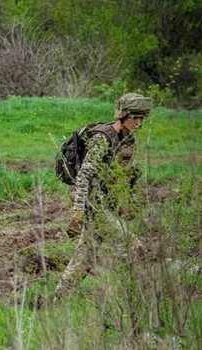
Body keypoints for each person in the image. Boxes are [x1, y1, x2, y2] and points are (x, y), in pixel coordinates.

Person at [54, 93, 153, 299]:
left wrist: (125, 202)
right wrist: (78, 213)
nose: (139, 122)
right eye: (135, 117)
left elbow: (122, 175)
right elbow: (83, 177)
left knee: (85, 254)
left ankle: (60, 298)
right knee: (133, 246)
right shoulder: (102, 138)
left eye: (142, 118)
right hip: (91, 202)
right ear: (123, 116)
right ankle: (137, 296)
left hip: (104, 200)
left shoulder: (128, 140)